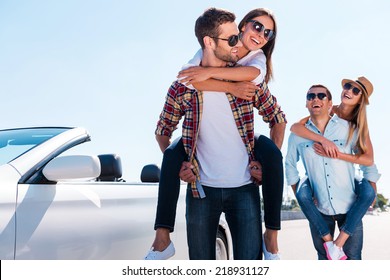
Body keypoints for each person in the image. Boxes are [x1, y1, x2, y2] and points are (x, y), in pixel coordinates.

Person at [144, 8, 286, 260]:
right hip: (201, 190)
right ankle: (161, 239)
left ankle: (272, 240)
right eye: (231, 40)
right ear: (209, 42)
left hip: (244, 188)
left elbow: (277, 119)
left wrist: (264, 164)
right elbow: (162, 131)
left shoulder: (247, 81)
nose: (238, 45)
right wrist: (178, 165)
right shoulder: (183, 85)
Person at [290, 77, 380, 260]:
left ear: (360, 100)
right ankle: (330, 243)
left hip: (347, 182)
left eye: (356, 91)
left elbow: (368, 159)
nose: (349, 91)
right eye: (348, 86)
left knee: (368, 193)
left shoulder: (356, 126)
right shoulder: (328, 110)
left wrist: (371, 185)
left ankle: (337, 244)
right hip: (320, 190)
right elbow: (297, 128)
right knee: (303, 193)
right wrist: (323, 140)